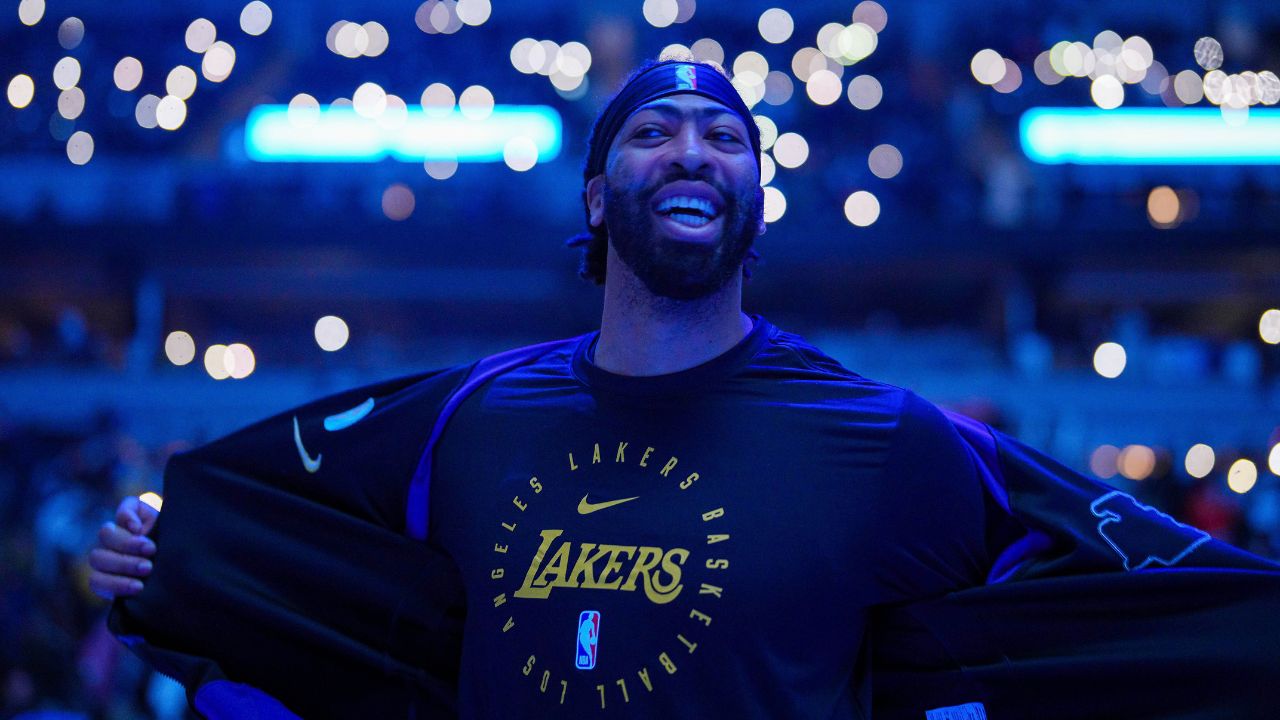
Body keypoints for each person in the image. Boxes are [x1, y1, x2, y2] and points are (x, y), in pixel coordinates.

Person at [89, 59, 1280, 720]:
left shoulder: (883, 440)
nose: (695, 150)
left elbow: (1117, 577)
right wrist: (169, 552)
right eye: (655, 131)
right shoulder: (459, 420)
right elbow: (280, 544)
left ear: (754, 199)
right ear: (600, 196)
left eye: (725, 135)